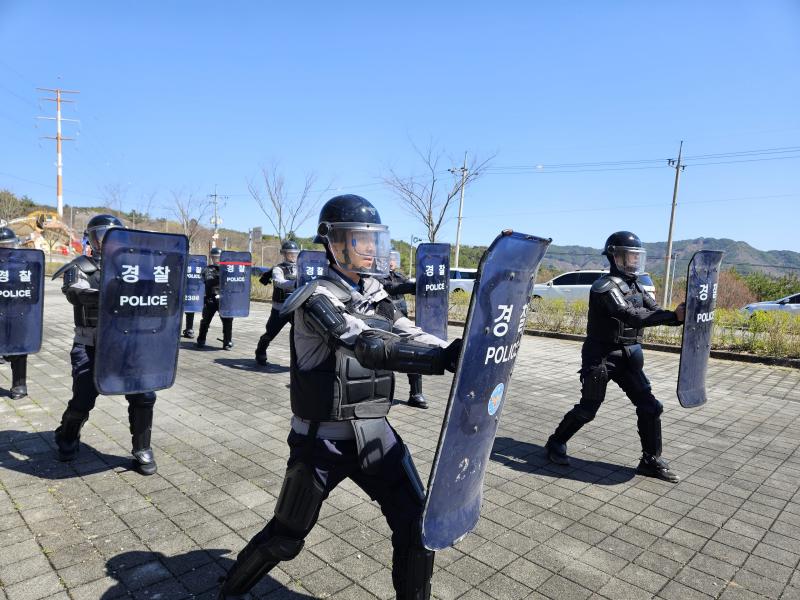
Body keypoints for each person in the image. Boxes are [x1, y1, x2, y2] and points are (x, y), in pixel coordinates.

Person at [217, 195, 461, 599]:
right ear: (331, 242)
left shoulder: (376, 293)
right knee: (287, 537)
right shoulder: (315, 299)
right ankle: (231, 589)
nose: (367, 248)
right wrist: (439, 360)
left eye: (372, 240)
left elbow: (408, 332)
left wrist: (458, 351)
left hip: (374, 433)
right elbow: (364, 343)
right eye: (355, 238)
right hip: (322, 441)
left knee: (417, 525)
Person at [545, 231, 686, 483]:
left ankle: (650, 460)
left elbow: (654, 312)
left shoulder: (637, 285)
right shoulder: (604, 287)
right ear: (615, 256)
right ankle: (556, 442)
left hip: (629, 356)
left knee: (651, 407)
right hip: (601, 357)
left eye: (636, 256)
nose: (634, 260)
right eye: (629, 255)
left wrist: (681, 315)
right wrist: (672, 317)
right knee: (588, 409)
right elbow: (630, 315)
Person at [52, 214, 158, 475]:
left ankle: (142, 448)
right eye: (100, 234)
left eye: (112, 234)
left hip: (128, 344)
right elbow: (76, 293)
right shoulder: (81, 266)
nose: (106, 239)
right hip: (91, 344)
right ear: (91, 238)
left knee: (144, 395)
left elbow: (158, 294)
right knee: (83, 399)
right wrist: (112, 293)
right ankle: (66, 436)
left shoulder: (137, 268)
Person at [380, 249, 428, 409]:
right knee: (382, 356)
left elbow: (405, 285)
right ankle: (380, 394)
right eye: (389, 258)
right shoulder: (376, 277)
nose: (392, 261)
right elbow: (391, 288)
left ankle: (416, 393)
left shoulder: (400, 276)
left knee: (413, 352)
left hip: (403, 321)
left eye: (394, 258)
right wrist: (410, 287)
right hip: (383, 322)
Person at [254, 240, 298, 365]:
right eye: (289, 253)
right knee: (271, 332)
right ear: (284, 254)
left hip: (296, 307)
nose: (292, 255)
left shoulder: (301, 267)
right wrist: (294, 283)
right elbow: (279, 282)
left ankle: (298, 360)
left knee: (299, 335)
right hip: (280, 308)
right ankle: (260, 352)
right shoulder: (278, 269)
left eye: (294, 253)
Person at [0, 226, 29, 400]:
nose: (6, 248)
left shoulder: (22, 263)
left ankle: (19, 384)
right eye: (2, 245)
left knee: (19, 348)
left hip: (18, 311)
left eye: (8, 244)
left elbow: (31, 287)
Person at [197, 247, 234, 350]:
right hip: (211, 299)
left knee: (228, 320)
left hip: (225, 299)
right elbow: (209, 280)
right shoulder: (207, 269)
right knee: (206, 320)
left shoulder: (228, 269)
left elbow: (235, 281)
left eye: (218, 257)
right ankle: (201, 339)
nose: (216, 259)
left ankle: (227, 341)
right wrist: (221, 275)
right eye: (214, 257)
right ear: (211, 258)